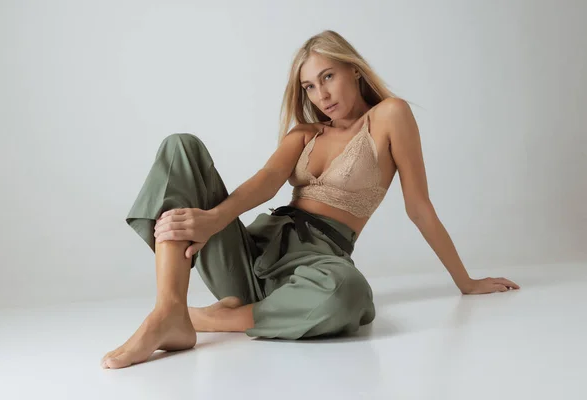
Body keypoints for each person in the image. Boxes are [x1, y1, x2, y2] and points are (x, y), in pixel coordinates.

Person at [101, 30, 520, 369]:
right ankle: (169, 309)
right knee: (180, 148)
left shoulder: (390, 115)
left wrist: (465, 282)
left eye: (328, 77)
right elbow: (266, 181)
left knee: (349, 292)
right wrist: (215, 220)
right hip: (251, 256)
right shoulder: (305, 133)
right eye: (309, 85)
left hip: (318, 262)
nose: (321, 94)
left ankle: (205, 318)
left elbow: (419, 207)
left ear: (353, 70)